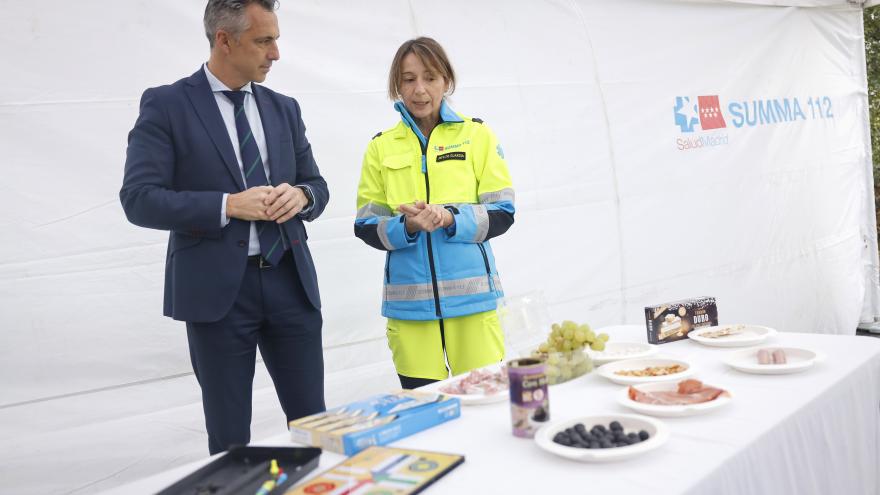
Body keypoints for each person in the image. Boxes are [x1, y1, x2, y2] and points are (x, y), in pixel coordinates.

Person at [120, 0, 328, 454]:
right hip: (217, 296)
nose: (275, 54)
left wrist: (303, 196)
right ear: (224, 40)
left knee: (315, 427)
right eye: (263, 41)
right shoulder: (168, 104)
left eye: (275, 39)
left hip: (290, 282)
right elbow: (138, 200)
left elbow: (317, 184)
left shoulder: (284, 108)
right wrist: (227, 205)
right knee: (231, 438)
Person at [354, 37, 516, 389]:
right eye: (409, 79)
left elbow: (503, 211)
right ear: (397, 85)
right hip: (410, 314)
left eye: (430, 77)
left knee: (484, 408)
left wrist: (451, 218)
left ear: (447, 80)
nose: (420, 89)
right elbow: (366, 224)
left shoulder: (477, 136)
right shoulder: (380, 147)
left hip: (473, 306)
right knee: (425, 410)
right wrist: (406, 226)